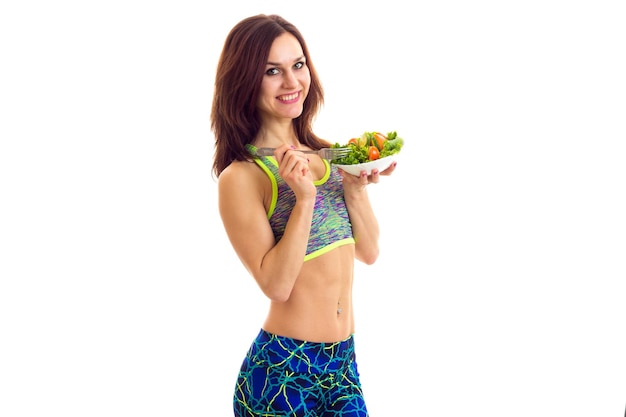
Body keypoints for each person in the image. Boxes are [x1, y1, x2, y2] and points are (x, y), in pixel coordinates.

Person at [211, 13, 396, 417]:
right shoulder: (242, 176)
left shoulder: (328, 154)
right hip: (281, 372)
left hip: (342, 366)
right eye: (272, 71)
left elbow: (369, 252)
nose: (293, 82)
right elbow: (276, 285)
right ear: (244, 80)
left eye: (298, 65)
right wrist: (305, 201)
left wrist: (355, 186)